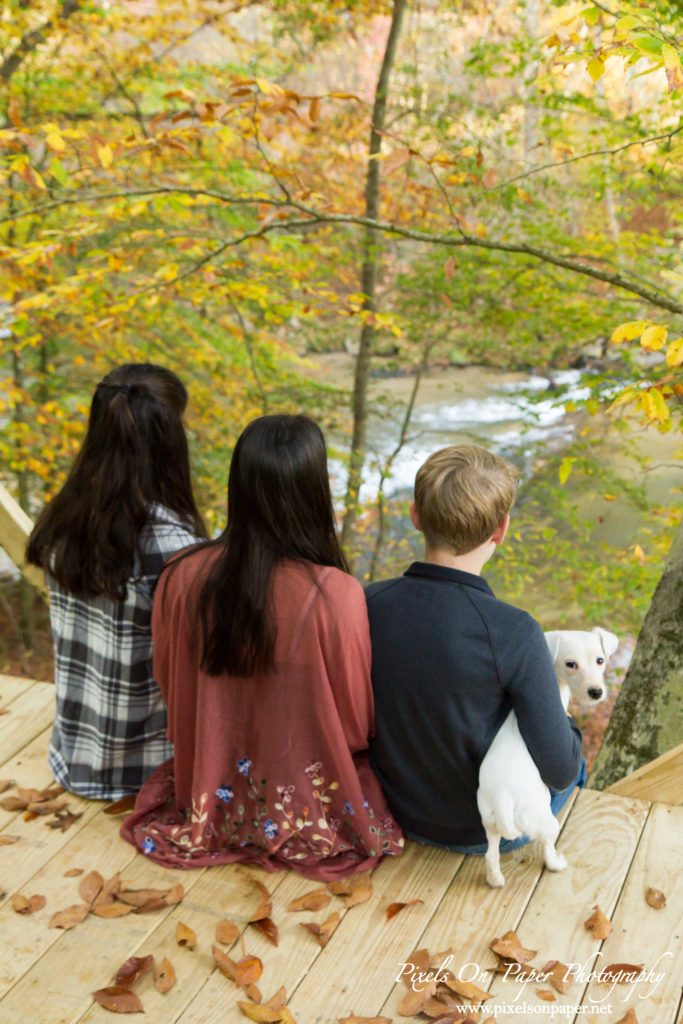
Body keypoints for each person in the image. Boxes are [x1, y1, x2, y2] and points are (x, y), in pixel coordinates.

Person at [120, 414, 403, 880]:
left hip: (206, 791)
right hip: (310, 805)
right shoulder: (337, 593)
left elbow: (171, 688)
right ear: (315, 490)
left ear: (239, 485)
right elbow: (355, 726)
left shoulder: (180, 574)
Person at [365, 444, 584, 854]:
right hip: (483, 831)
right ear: (500, 530)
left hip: (396, 811)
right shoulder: (514, 630)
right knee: (577, 761)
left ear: (414, 515)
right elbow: (560, 769)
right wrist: (566, 720)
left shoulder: (366, 603)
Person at [27, 364, 207, 800]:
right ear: (170, 440)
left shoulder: (63, 519)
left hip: (71, 757)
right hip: (146, 774)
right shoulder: (176, 547)